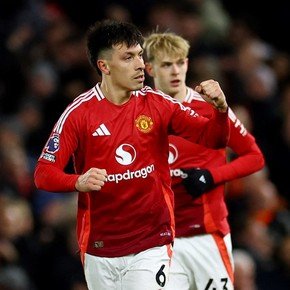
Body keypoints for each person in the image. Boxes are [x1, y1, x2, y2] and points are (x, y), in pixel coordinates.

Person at [34, 19, 230, 290]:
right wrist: (77, 181)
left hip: (152, 242)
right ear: (104, 66)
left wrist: (220, 109)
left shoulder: (158, 104)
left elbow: (214, 138)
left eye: (140, 55)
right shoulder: (79, 114)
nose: (140, 65)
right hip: (99, 247)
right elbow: (43, 174)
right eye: (128, 57)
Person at [143, 32, 265, 290]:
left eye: (180, 62)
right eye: (166, 64)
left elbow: (255, 157)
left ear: (187, 64)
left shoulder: (210, 107)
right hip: (159, 240)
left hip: (206, 236)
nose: (175, 71)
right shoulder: (138, 115)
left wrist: (211, 177)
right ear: (150, 68)